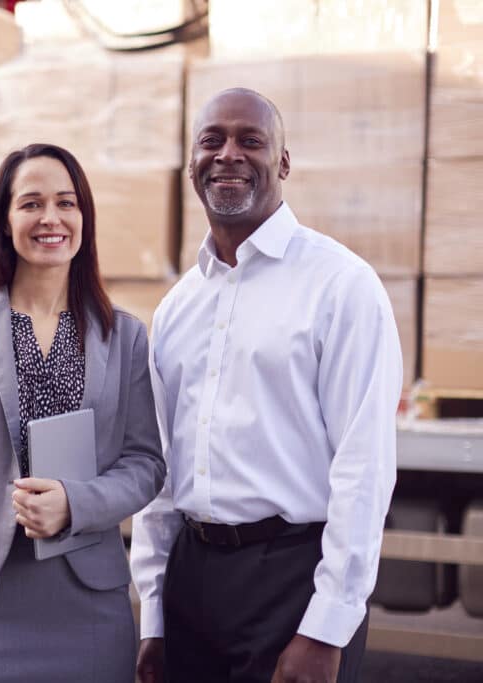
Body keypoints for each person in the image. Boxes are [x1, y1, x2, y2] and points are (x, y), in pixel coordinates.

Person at [130, 88, 403, 683]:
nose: (228, 154)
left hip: (293, 582)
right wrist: (154, 618)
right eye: (212, 140)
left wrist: (326, 628)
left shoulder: (341, 286)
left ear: (283, 163)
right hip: (191, 583)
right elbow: (162, 477)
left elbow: (364, 469)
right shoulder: (177, 307)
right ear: (191, 162)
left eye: (250, 141)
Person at [0, 143, 165, 683]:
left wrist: (77, 502)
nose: (51, 218)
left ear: (84, 217)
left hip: (88, 599)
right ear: (4, 219)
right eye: (31, 203)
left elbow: (146, 463)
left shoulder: (126, 335)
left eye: (66, 203)